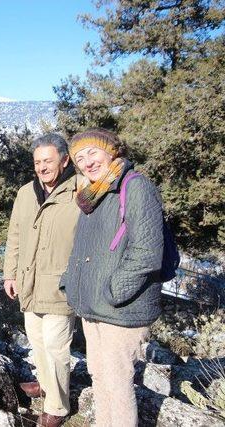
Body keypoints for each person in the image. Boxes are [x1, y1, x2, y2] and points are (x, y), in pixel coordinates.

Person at [60, 128, 164, 427]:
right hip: (94, 305)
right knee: (99, 375)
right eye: (80, 157)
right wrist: (72, 283)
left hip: (120, 308)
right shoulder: (93, 195)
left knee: (117, 383)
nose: (87, 162)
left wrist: (113, 291)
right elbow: (83, 249)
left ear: (111, 151)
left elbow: (146, 251)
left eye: (93, 152)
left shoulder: (135, 187)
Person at [2, 134, 80, 427]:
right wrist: (10, 273)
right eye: (37, 162)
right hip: (28, 282)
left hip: (61, 284)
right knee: (36, 341)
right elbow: (15, 236)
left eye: (48, 160)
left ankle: (58, 408)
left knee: (56, 346)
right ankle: (46, 385)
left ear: (64, 160)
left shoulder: (79, 192)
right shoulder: (25, 192)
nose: (42, 167)